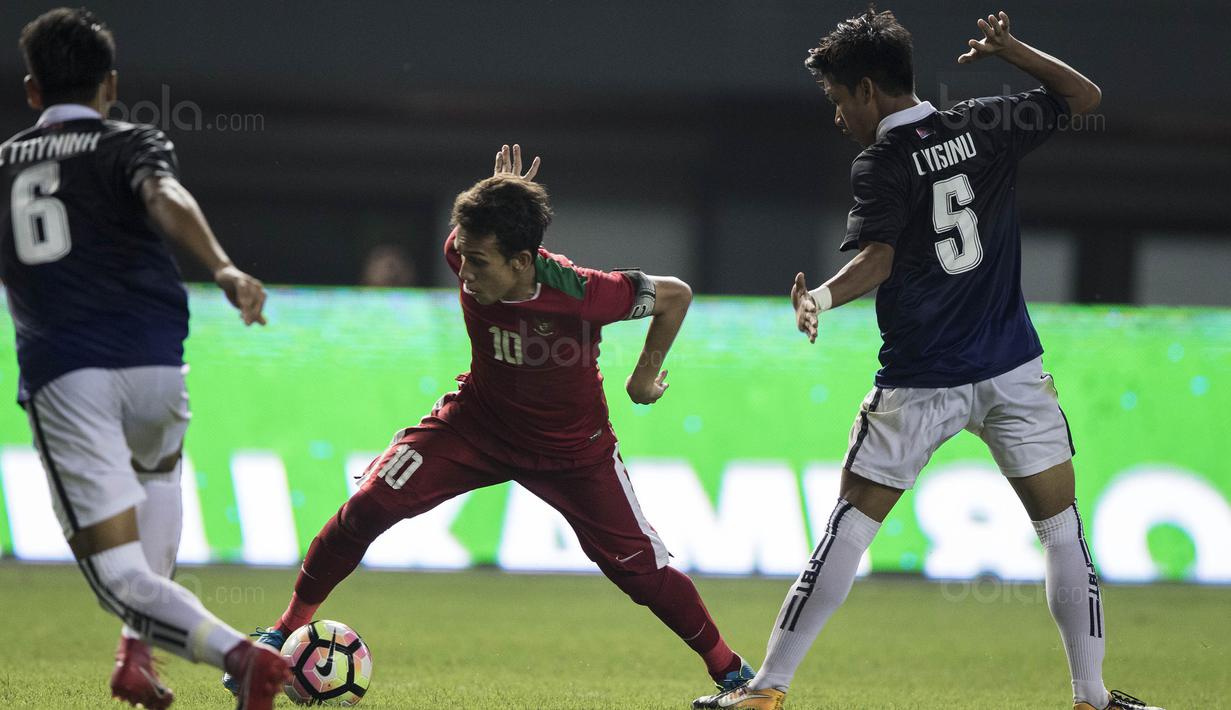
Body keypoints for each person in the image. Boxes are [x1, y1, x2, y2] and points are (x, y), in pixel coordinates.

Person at [693, 9, 1163, 710]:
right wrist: (1013, 51)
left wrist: (820, 296)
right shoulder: (986, 122)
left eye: (838, 100)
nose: (837, 117)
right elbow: (1083, 96)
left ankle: (766, 690)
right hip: (1011, 369)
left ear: (866, 90)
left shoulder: (881, 162)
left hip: (920, 380)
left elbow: (877, 259)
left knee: (848, 530)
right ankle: (1091, 697)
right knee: (1062, 530)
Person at [221, 144, 755, 694]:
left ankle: (733, 674)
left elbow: (676, 296)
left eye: (480, 262)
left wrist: (643, 378)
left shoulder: (585, 293)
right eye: (464, 255)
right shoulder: (462, 252)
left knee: (640, 574)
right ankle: (281, 633)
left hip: (572, 452)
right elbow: (470, 240)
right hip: (477, 425)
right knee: (368, 506)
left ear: (522, 262)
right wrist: (496, 197)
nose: (465, 271)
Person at [1, 8, 290, 710]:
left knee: (116, 576)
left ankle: (244, 658)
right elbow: (162, 194)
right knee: (159, 472)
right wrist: (223, 267)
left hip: (69, 374)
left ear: (33, 90)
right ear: (111, 85)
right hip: (158, 369)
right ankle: (136, 656)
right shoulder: (132, 141)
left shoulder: (4, 164)